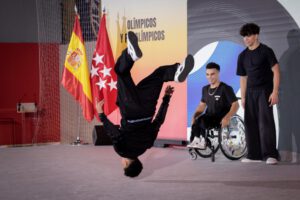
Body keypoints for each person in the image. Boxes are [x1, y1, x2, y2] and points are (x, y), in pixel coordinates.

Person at [96, 31, 194, 177]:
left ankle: (175, 74)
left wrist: (166, 98)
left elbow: (158, 121)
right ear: (127, 164)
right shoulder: (122, 151)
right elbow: (114, 132)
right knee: (121, 73)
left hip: (148, 109)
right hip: (130, 111)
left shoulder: (146, 146)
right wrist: (101, 115)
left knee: (159, 74)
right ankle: (131, 55)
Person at [236, 23, 280, 165]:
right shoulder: (242, 56)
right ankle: (253, 154)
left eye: (248, 35)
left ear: (256, 35)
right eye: (244, 36)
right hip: (250, 93)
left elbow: (276, 72)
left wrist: (275, 92)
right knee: (250, 123)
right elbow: (243, 78)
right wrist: (243, 97)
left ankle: (270, 154)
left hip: (265, 91)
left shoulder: (266, 51)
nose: (246, 39)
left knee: (265, 123)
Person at [188, 62, 239, 149]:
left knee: (202, 121)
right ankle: (196, 140)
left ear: (218, 73)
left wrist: (227, 117)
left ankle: (203, 142)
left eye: (212, 74)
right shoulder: (205, 89)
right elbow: (202, 105)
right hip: (209, 116)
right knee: (197, 121)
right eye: (207, 74)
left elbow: (235, 105)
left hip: (220, 117)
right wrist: (194, 116)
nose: (209, 77)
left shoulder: (225, 88)